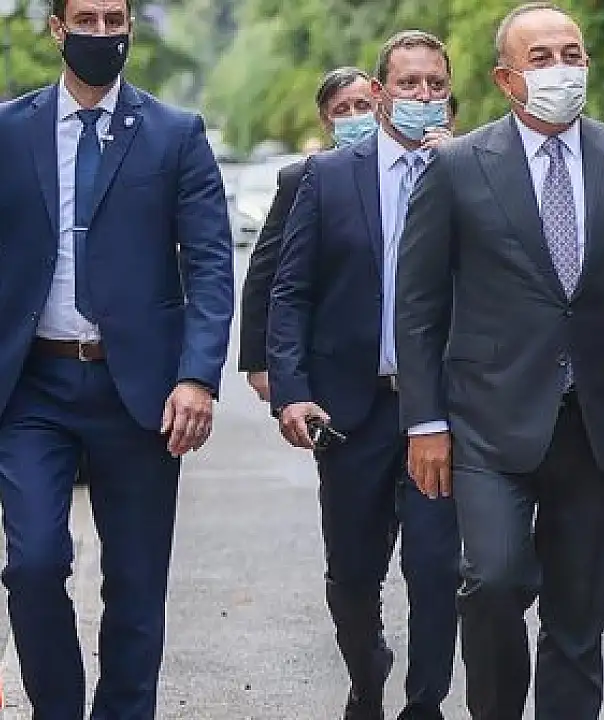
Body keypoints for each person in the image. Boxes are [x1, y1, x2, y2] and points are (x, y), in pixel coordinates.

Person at [394, 3, 604, 718]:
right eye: (541, 59)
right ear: (506, 79)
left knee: (578, 614)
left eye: (573, 54)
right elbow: (418, 306)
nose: (562, 69)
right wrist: (424, 421)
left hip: (597, 423)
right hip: (487, 424)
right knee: (494, 582)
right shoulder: (459, 167)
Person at [0, 0, 235, 715]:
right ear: (57, 28)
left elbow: (210, 264)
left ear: (130, 26)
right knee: (34, 564)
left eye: (114, 19)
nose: (102, 33)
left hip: (140, 391)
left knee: (135, 585)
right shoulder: (9, 131)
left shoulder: (174, 134)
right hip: (32, 386)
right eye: (87, 18)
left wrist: (196, 376)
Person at [267, 31, 460, 720]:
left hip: (440, 410)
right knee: (352, 572)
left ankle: (424, 703)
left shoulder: (468, 170)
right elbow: (290, 290)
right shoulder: (327, 178)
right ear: (380, 93)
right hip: (354, 410)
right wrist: (291, 391)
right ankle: (366, 668)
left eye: (435, 85)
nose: (422, 96)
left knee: (437, 569)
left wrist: (459, 172)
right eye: (408, 84)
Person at [240, 66, 376, 402]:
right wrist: (258, 362)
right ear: (326, 121)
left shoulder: (405, 169)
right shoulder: (303, 179)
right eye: (342, 110)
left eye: (362, 106)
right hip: (329, 358)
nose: (354, 116)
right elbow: (265, 272)